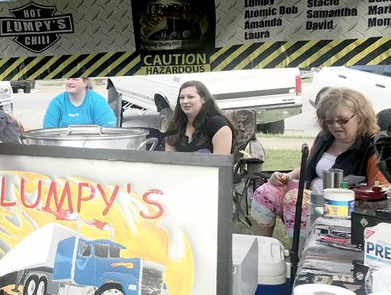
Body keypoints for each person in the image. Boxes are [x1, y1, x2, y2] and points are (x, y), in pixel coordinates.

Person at [251, 87, 389, 239]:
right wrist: (285, 177)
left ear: (360, 117)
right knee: (264, 192)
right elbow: (305, 166)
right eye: (330, 121)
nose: (335, 126)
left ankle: (300, 257)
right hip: (309, 197)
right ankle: (261, 251)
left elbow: (382, 192)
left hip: (344, 208)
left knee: (295, 199)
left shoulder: (372, 148)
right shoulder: (325, 137)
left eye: (343, 120)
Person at [164, 80, 234, 154]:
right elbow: (169, 159)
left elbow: (221, 162)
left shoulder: (219, 125)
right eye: (182, 98)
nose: (185, 101)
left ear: (203, 99)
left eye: (190, 97)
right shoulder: (174, 125)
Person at [42, 77, 116, 128]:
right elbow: (48, 130)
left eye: (75, 79)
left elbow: (108, 128)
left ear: (85, 83)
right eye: (68, 79)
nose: (70, 82)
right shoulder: (57, 102)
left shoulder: (97, 101)